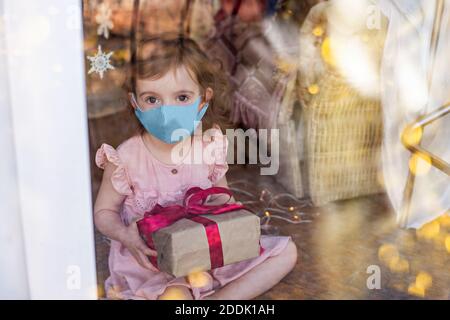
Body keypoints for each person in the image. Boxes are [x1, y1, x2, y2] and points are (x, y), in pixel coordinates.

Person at [93, 34, 297, 300]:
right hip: (154, 262)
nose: (167, 111)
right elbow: (103, 211)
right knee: (176, 295)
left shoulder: (208, 146)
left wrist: (233, 228)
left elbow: (221, 198)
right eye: (152, 99)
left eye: (182, 97)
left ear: (203, 99)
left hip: (205, 251)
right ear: (135, 103)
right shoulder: (127, 157)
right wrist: (125, 235)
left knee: (286, 253)